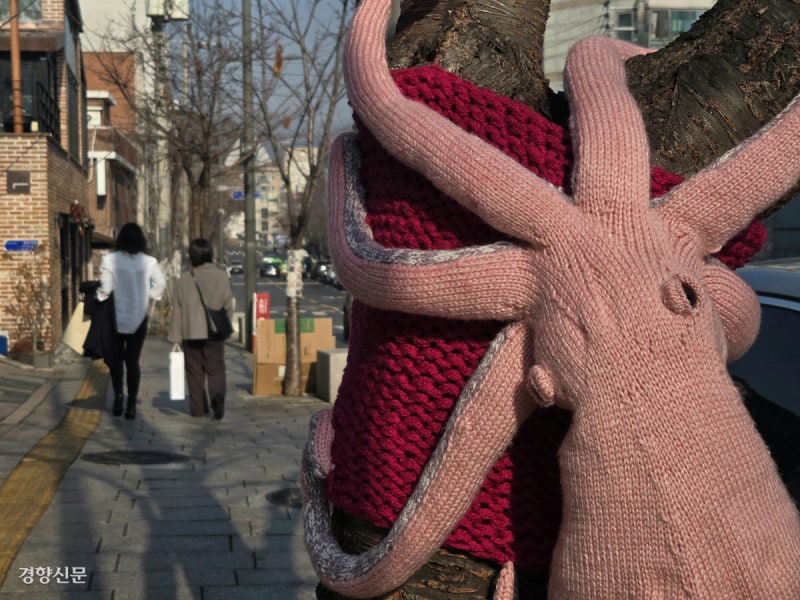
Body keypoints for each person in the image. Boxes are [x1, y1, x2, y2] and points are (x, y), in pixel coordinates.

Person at [97, 223, 166, 420]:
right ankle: (132, 404)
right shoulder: (149, 262)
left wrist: (100, 298)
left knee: (116, 360)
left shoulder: (110, 260)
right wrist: (149, 296)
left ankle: (119, 396)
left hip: (116, 317)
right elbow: (161, 283)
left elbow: (106, 287)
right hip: (139, 317)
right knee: (132, 361)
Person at [168, 239, 233, 419]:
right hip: (214, 332)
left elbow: (178, 309)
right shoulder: (221, 276)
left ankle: (197, 410)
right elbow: (228, 304)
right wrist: (224, 323)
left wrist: (175, 336)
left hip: (191, 333)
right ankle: (217, 397)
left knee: (194, 372)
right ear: (209, 253)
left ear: (192, 256)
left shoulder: (184, 279)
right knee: (216, 368)